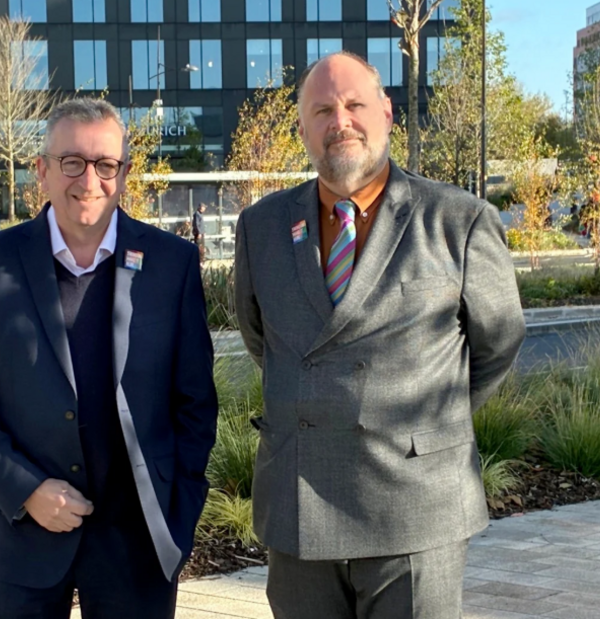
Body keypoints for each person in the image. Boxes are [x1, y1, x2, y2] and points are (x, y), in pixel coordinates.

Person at [233, 51, 525, 619]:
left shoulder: (456, 220)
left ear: (387, 113)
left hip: (416, 504)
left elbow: (498, 340)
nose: (339, 121)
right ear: (302, 129)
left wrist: (422, 421)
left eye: (353, 105)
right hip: (300, 505)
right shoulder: (261, 227)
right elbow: (260, 337)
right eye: (321, 110)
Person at [0, 98, 218, 619]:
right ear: (42, 170)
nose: (89, 179)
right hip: (21, 539)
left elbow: (195, 400)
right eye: (72, 162)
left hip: (137, 545)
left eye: (105, 164)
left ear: (124, 174)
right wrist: (26, 490)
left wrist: (180, 506)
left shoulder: (171, 263)